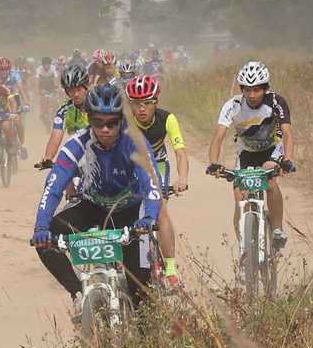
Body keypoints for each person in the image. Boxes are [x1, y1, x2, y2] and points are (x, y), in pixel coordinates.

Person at [31, 83, 162, 311]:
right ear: (89, 120)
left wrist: (149, 217)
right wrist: (41, 226)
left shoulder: (134, 141)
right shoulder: (77, 144)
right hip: (92, 207)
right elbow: (53, 188)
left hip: (130, 211)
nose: (105, 129)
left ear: (121, 120)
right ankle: (78, 294)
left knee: (141, 298)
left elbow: (152, 184)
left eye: (112, 122)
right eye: (98, 122)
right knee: (46, 238)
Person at [206, 60, 296, 248]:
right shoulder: (232, 105)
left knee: (269, 180)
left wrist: (287, 160)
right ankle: (244, 250)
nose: (252, 95)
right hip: (246, 153)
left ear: (265, 88)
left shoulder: (276, 101)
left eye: (257, 90)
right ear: (242, 89)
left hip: (272, 150)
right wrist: (214, 163)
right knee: (239, 199)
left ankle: (277, 229)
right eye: (247, 90)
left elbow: (287, 133)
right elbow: (218, 136)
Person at [126, 75, 188, 290]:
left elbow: (180, 152)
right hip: (133, 168)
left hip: (158, 167)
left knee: (160, 210)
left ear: (156, 102)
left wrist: (182, 178)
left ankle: (170, 269)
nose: (141, 108)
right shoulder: (124, 121)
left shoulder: (167, 119)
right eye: (136, 104)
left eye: (147, 103)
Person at [37, 63, 91, 167]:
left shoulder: (99, 103)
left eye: (79, 89)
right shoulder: (64, 111)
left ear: (86, 87)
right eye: (71, 90)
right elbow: (56, 134)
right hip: (79, 154)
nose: (75, 94)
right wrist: (48, 158)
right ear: (66, 91)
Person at [0, 56, 29, 159]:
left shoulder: (15, 74)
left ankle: (22, 144)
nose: (4, 71)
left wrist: (26, 103)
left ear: (9, 69)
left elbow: (21, 89)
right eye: (2, 69)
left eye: (6, 69)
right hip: (1, 101)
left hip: (14, 98)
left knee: (18, 120)